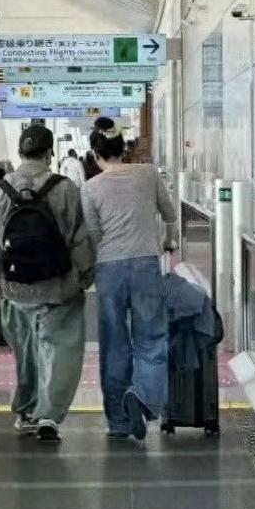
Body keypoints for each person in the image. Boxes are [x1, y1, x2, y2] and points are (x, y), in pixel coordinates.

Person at [0, 124, 95, 441]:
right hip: (58, 286)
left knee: (26, 352)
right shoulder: (64, 188)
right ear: (49, 154)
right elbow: (80, 239)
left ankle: (28, 410)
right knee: (60, 351)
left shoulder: (0, 190)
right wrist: (85, 275)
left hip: (15, 288)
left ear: (20, 152)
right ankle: (49, 416)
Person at [81, 117, 176, 440]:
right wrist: (168, 241)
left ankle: (118, 421)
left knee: (113, 343)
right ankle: (143, 397)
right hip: (146, 263)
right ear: (124, 150)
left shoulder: (90, 188)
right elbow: (170, 214)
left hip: (109, 269)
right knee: (151, 338)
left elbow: (93, 234)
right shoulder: (148, 174)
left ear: (96, 155)